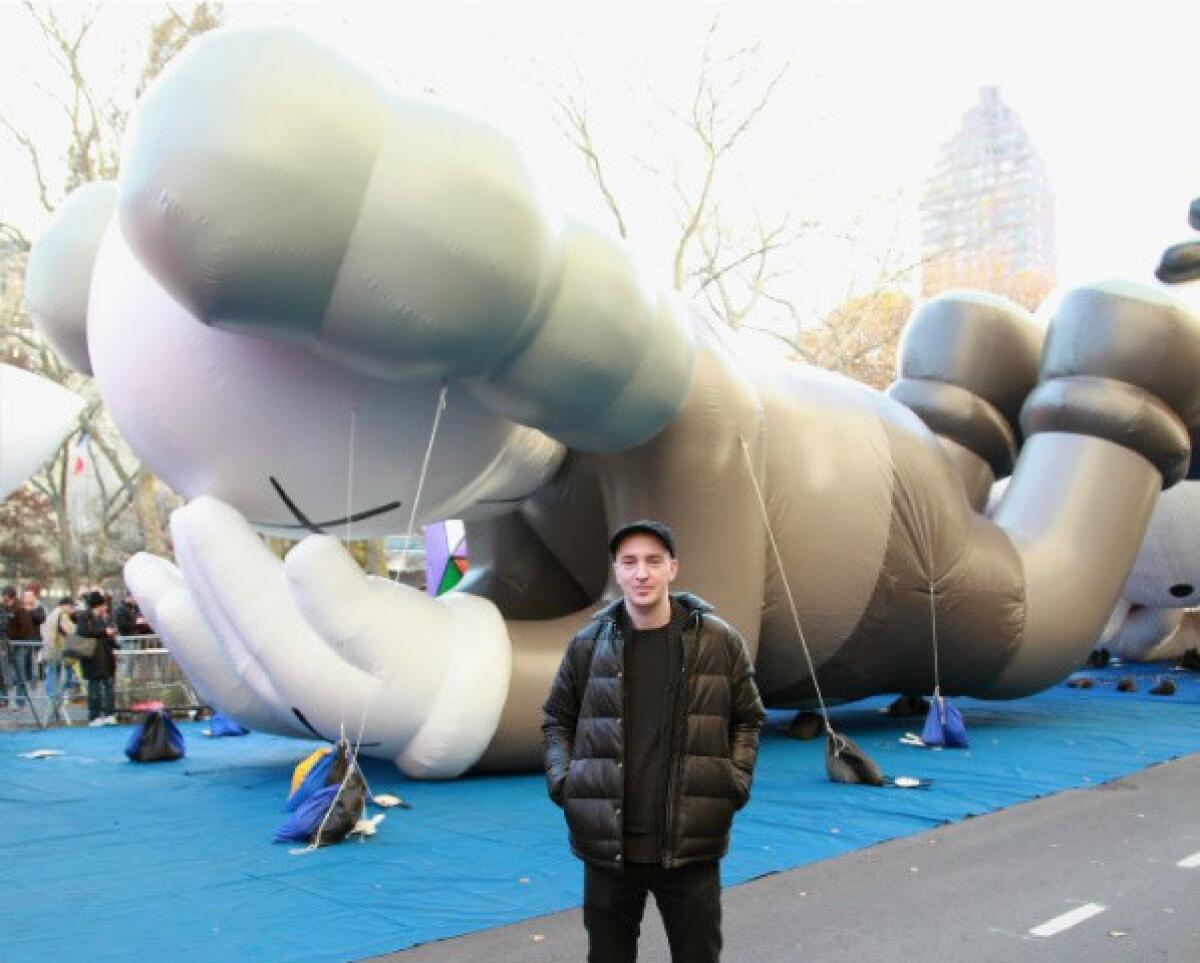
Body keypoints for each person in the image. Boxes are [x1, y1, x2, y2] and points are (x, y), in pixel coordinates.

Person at [543, 520, 764, 963]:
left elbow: (748, 718)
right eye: (630, 563)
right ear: (617, 571)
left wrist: (731, 782)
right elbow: (556, 720)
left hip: (688, 843)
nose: (641, 573)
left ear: (672, 568)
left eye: (652, 561)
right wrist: (565, 784)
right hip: (609, 845)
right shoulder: (588, 645)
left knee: (697, 955)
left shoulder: (718, 642)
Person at [76, 591, 118, 725]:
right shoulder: (85, 617)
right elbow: (82, 632)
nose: (105, 607)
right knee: (94, 688)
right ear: (97, 605)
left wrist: (113, 641)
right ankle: (94, 716)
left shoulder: (102, 618)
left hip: (105, 656)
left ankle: (109, 713)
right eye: (103, 605)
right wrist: (104, 632)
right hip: (92, 657)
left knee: (108, 685)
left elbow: (105, 634)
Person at [39, 596, 77, 725]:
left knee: (52, 676)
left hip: (51, 651)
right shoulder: (62, 615)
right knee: (64, 678)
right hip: (58, 651)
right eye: (72, 607)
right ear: (65, 605)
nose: (73, 610)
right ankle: (56, 702)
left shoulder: (52, 614)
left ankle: (52, 700)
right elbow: (71, 630)